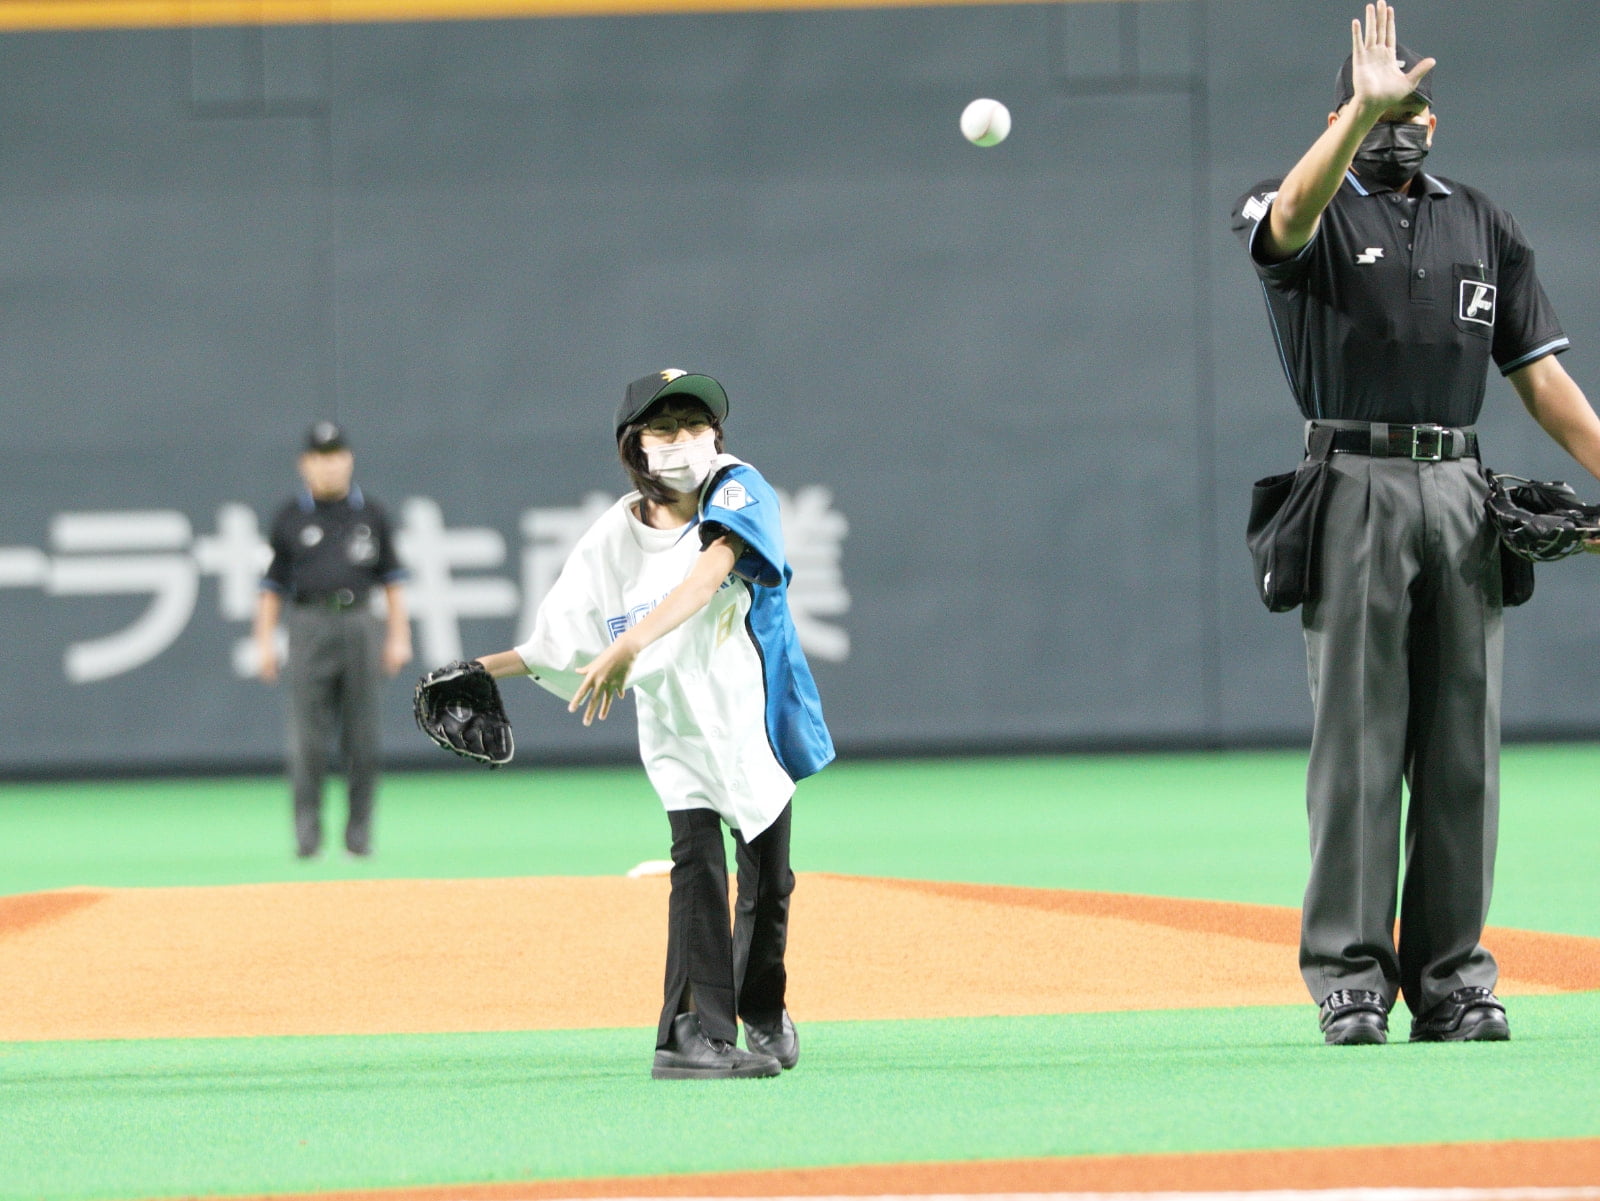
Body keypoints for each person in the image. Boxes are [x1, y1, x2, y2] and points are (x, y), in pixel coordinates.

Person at [1231, 2, 1600, 1046]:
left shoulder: (1483, 222)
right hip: (1353, 479)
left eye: (1409, 113)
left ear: (1434, 123)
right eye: (1374, 113)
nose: (1396, 127)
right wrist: (1359, 112)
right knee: (1359, 742)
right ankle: (1349, 976)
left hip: (1462, 489)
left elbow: (1540, 379)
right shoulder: (1300, 200)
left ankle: (1452, 980)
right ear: (1340, 117)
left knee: (1460, 748)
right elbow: (1284, 222)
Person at [468, 369, 834, 1079]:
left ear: (716, 435)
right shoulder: (613, 536)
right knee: (695, 867)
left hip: (753, 713)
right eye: (664, 427)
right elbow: (556, 643)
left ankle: (762, 1006)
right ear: (634, 445)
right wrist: (478, 670)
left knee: (768, 879)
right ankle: (690, 1035)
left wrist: (630, 643)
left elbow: (708, 573)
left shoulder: (739, 488)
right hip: (676, 723)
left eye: (696, 424)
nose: (683, 439)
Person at [253, 421, 412, 859]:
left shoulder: (370, 514)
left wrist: (398, 636)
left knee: (363, 737)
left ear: (349, 460)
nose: (330, 465)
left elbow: (392, 580)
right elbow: (272, 586)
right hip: (309, 623)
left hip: (359, 622)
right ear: (305, 464)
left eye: (337, 455)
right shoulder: (290, 515)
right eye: (321, 457)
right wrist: (264, 641)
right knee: (306, 739)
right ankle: (307, 834)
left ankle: (358, 834)